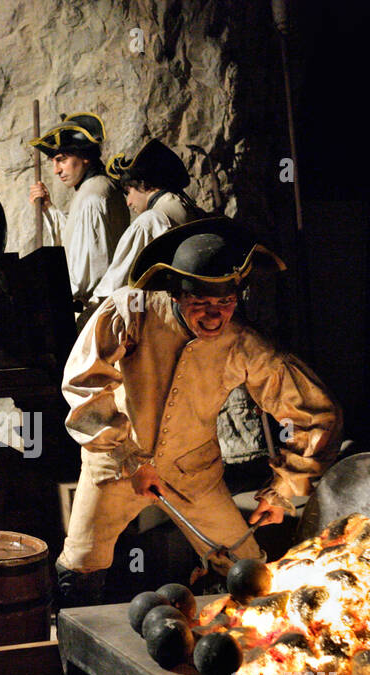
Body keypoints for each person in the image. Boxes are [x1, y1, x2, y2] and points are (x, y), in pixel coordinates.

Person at [54, 218, 343, 607]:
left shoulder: (242, 344)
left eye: (224, 303)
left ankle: (235, 653)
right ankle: (77, 661)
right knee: (81, 567)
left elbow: (314, 414)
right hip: (117, 464)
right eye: (200, 304)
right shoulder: (131, 311)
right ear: (175, 295)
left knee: (249, 571)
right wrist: (128, 459)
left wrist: (283, 491)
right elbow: (82, 383)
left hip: (195, 473)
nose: (213, 316)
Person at [28, 112, 129, 322]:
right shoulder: (99, 187)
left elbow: (87, 269)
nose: (56, 170)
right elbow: (81, 240)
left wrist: (52, 295)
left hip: (96, 311)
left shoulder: (91, 197)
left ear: (84, 156)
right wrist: (50, 209)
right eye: (53, 162)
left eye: (61, 160)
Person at [91, 137, 204, 305]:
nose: (128, 202)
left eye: (128, 191)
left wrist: (92, 307)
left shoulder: (149, 222)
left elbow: (115, 285)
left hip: (159, 313)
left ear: (143, 184)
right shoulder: (188, 210)